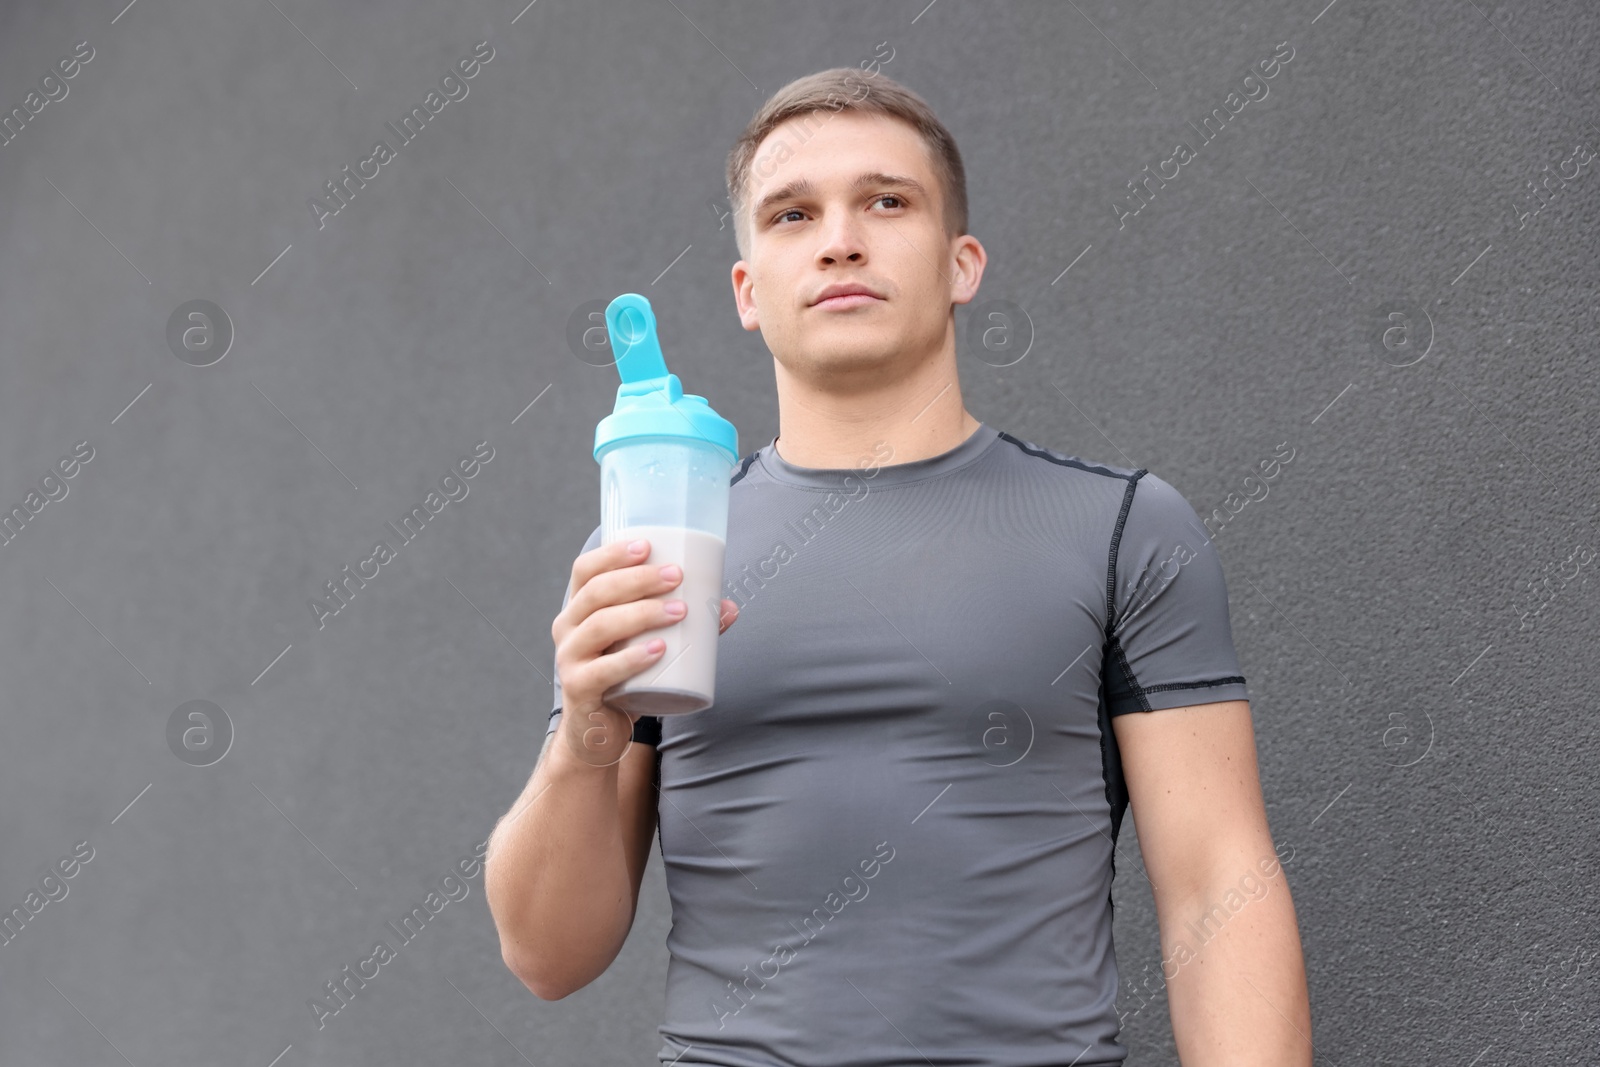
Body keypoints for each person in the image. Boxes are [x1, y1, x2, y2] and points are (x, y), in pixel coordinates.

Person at [485, 67, 1311, 1067]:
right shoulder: (653, 553)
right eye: (792, 213)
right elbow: (547, 955)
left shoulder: (1122, 526)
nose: (840, 237)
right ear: (747, 292)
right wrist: (584, 738)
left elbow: (1216, 884)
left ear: (962, 264)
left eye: (886, 200)